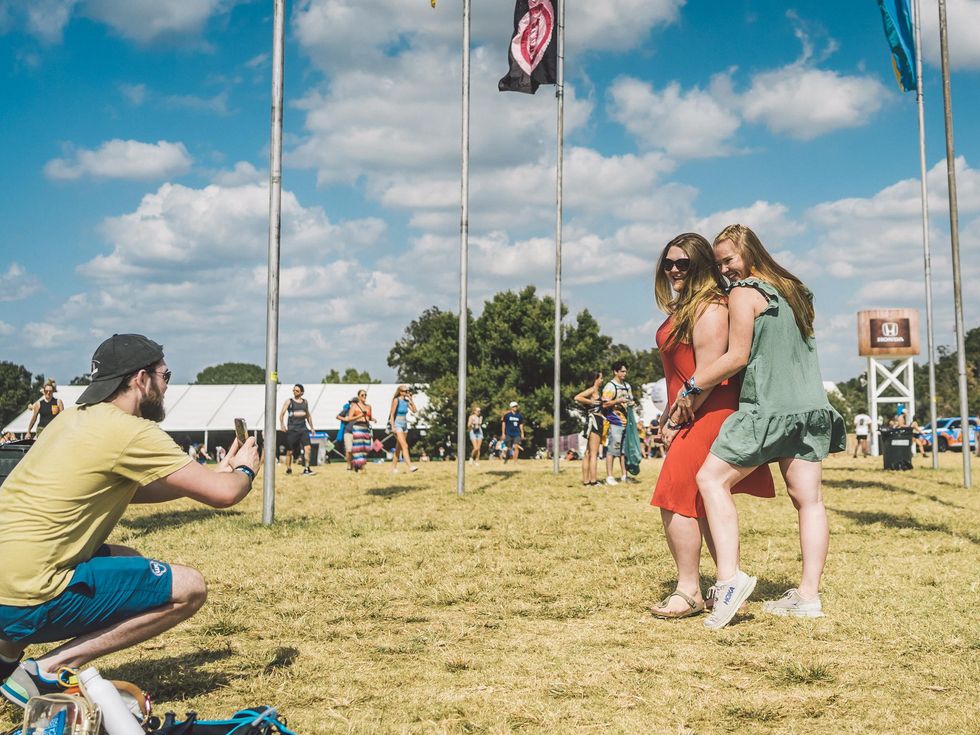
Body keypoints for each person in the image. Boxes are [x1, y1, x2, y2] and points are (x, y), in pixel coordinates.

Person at [0, 334, 260, 707]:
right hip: (28, 595)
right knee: (189, 587)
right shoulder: (131, 431)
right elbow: (226, 495)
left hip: (6, 582)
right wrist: (245, 471)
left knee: (129, 558)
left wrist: (209, 476)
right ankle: (48, 671)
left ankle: (6, 659)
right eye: (165, 376)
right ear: (141, 378)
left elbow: (125, 489)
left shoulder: (70, 419)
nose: (167, 386)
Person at [673, 224, 846, 630]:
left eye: (728, 260)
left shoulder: (743, 294)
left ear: (749, 252)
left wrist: (693, 385)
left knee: (710, 480)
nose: (726, 270)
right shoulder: (795, 290)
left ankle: (730, 579)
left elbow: (736, 357)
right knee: (810, 501)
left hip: (768, 408)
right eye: (719, 264)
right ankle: (808, 596)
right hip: (810, 409)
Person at [648, 233, 775, 619]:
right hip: (689, 411)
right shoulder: (688, 308)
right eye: (668, 263)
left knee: (674, 498)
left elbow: (707, 374)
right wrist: (668, 415)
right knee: (695, 502)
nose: (673, 269)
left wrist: (676, 417)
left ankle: (689, 589)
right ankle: (727, 586)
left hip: (709, 413)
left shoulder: (711, 309)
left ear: (701, 265)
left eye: (683, 263)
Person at [601, 362, 635, 485]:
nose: (625, 374)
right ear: (615, 372)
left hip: (627, 422)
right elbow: (604, 404)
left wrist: (632, 404)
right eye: (622, 371)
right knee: (612, 449)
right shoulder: (609, 387)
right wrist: (618, 400)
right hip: (615, 421)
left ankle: (624, 475)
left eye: (626, 371)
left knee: (624, 451)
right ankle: (610, 476)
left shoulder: (627, 386)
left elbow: (630, 400)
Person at [574, 372, 605, 486]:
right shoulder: (593, 390)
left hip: (591, 421)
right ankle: (593, 481)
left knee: (588, 453)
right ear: (596, 379)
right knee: (593, 453)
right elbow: (577, 397)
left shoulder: (596, 391)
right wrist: (591, 402)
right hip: (595, 421)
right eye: (601, 378)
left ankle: (586, 481)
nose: (602, 380)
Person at [278, 384, 315, 476]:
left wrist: (312, 428)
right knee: (290, 451)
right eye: (293, 390)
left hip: (303, 429)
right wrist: (282, 425)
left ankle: (307, 468)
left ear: (302, 392)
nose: (294, 392)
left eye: (297, 391)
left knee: (308, 448)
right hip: (292, 430)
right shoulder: (289, 401)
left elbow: (308, 416)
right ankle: (288, 468)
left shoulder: (305, 402)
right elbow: (281, 414)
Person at [387, 385, 418, 473]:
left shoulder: (406, 401)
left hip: (404, 425)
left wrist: (411, 400)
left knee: (399, 447)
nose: (406, 392)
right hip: (397, 424)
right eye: (404, 391)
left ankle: (393, 467)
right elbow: (392, 414)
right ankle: (410, 466)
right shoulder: (396, 400)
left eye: (407, 391)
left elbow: (415, 410)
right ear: (400, 392)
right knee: (405, 445)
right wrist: (392, 426)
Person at [346, 390, 373, 472]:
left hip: (366, 427)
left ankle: (357, 464)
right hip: (357, 427)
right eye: (362, 395)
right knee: (358, 447)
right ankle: (361, 465)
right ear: (358, 396)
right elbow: (349, 418)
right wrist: (359, 416)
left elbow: (369, 417)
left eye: (365, 395)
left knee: (366, 448)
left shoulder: (369, 406)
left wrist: (372, 419)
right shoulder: (354, 406)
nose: (364, 396)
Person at [336, 398, 353, 470]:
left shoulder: (359, 410)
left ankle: (354, 465)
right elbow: (338, 416)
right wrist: (345, 419)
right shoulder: (346, 410)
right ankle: (349, 465)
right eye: (353, 402)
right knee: (348, 450)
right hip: (348, 431)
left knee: (355, 450)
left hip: (357, 431)